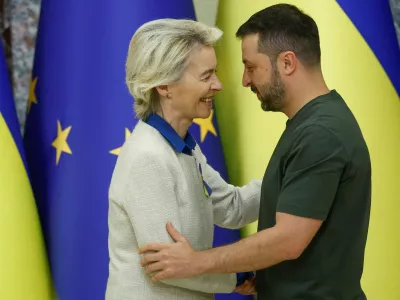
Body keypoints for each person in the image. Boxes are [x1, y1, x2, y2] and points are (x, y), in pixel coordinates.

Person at [139, 4, 372, 300]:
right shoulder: (311, 125)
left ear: (287, 63)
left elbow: (287, 240)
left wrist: (195, 262)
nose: (244, 81)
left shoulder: (319, 133)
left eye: (251, 67)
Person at [105, 18, 261, 300]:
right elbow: (170, 266)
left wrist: (292, 175)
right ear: (164, 85)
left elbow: (233, 208)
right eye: (206, 76)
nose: (219, 85)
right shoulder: (148, 157)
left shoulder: (182, 148)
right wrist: (238, 276)